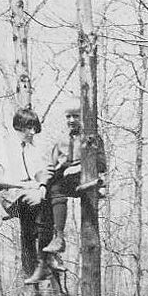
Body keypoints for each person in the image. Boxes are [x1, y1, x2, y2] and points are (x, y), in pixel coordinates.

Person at [0, 107, 58, 284]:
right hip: (10, 195)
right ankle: (45, 257)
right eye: (28, 128)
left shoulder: (31, 149)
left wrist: (43, 185)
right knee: (37, 201)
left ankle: (39, 263)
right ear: (18, 127)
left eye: (34, 128)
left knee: (47, 200)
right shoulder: (4, 147)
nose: (32, 132)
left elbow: (39, 173)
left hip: (28, 194)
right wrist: (23, 185)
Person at [42, 105, 107, 260]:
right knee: (51, 189)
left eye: (75, 116)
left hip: (86, 179)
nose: (71, 120)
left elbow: (102, 164)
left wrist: (79, 166)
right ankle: (57, 237)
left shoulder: (92, 137)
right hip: (68, 182)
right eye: (68, 117)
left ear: (82, 117)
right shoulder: (61, 140)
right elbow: (51, 166)